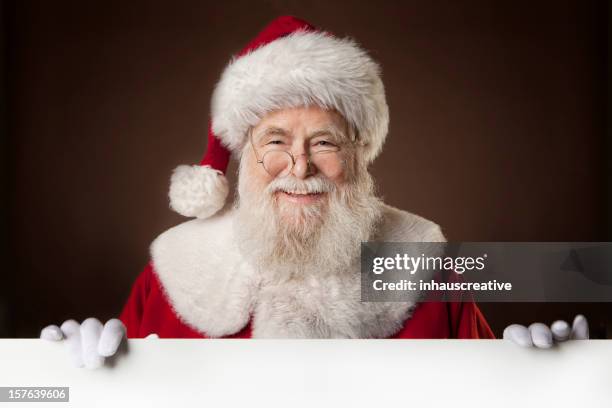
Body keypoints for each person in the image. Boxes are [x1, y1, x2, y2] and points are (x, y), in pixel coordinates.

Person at [41, 16, 588, 368]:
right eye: (274, 141)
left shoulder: (429, 266)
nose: (298, 165)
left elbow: (487, 389)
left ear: (357, 154)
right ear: (242, 154)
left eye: (323, 142)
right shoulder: (173, 274)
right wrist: (72, 384)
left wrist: (544, 380)